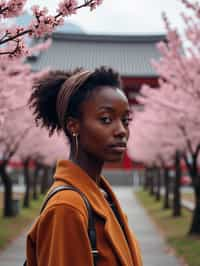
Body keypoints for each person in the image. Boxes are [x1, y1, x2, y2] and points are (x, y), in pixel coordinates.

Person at [26, 66, 143, 266]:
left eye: (125, 120)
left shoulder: (100, 194)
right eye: (106, 119)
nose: (121, 130)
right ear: (73, 125)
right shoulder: (67, 207)